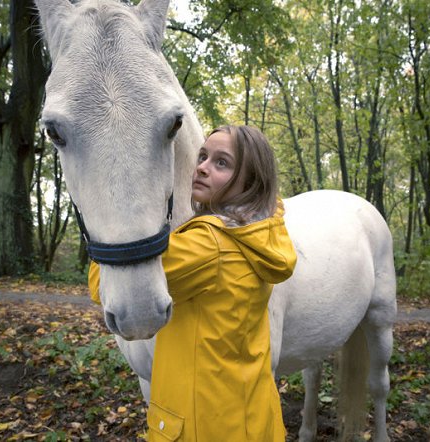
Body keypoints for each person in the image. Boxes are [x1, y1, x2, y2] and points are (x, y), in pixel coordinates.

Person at [88, 125, 297, 441]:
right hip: (252, 418)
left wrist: (114, 223)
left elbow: (103, 283)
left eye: (221, 163)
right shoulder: (260, 232)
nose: (201, 167)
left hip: (201, 425)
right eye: (203, 156)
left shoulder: (207, 247)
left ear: (249, 183)